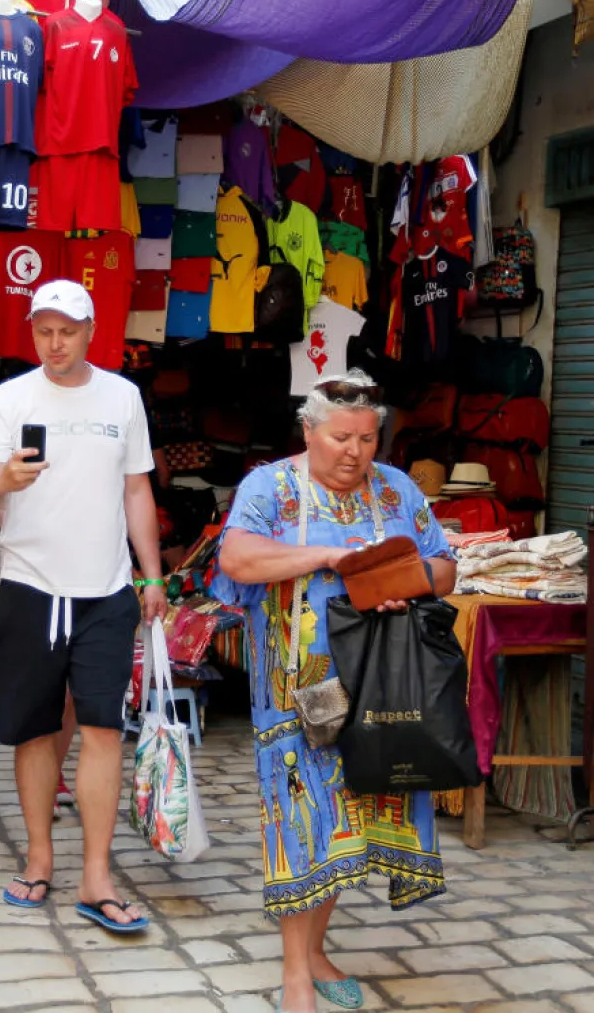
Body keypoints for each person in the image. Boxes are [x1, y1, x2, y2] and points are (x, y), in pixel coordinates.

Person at [213, 370, 454, 1013]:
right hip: (297, 687)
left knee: (350, 824)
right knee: (301, 823)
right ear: (308, 430)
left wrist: (405, 576)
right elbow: (237, 559)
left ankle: (316, 950)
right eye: (342, 437)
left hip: (381, 683)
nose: (355, 452)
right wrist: (326, 557)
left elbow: (446, 564)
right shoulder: (271, 487)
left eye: (369, 439)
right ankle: (296, 974)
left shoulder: (397, 488)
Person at [0, 280, 166, 929]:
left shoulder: (123, 396)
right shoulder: (9, 398)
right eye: (44, 331)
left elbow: (136, 490)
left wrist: (151, 574)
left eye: (67, 330)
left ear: (90, 329)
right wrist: (5, 478)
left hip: (106, 591)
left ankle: (96, 874)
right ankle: (39, 856)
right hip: (30, 586)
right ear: (32, 331)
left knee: (104, 729)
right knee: (34, 730)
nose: (55, 343)